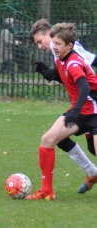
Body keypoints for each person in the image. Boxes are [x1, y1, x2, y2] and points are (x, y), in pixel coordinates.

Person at [26, 22, 97, 200]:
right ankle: (47, 191)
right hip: (81, 109)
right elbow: (70, 80)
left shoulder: (73, 60)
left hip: (93, 109)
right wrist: (51, 73)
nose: (50, 47)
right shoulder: (60, 56)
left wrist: (76, 111)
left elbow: (85, 87)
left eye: (41, 41)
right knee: (49, 139)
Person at [0, 18, 21, 82]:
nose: (13, 25)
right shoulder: (5, 31)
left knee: (3, 67)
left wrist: (15, 41)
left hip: (8, 51)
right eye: (12, 23)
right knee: (10, 65)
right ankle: (13, 80)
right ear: (9, 24)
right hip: (5, 51)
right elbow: (6, 41)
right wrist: (14, 42)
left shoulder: (8, 31)